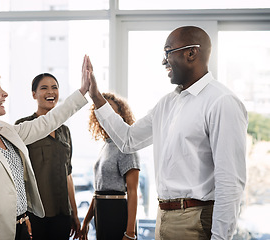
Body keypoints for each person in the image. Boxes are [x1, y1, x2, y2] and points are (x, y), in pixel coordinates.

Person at [86, 26, 248, 240]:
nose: (164, 61)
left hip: (196, 221)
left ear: (191, 53)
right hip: (163, 217)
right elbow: (128, 140)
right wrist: (97, 98)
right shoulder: (167, 104)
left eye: (168, 52)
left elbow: (230, 182)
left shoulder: (222, 102)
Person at [0, 56, 90, 240]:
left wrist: (82, 91)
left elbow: (48, 122)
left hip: (22, 228)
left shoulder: (5, 131)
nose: (5, 94)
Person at [15, 73, 81, 240]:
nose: (50, 92)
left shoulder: (65, 131)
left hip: (62, 213)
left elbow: (68, 175)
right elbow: (16, 176)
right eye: (44, 88)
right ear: (34, 94)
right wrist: (21, 215)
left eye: (54, 87)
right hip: (35, 214)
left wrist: (74, 212)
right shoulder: (24, 127)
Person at [80, 92, 140, 240]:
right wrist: (86, 222)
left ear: (120, 113)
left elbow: (133, 192)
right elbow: (99, 190)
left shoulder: (126, 144)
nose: (105, 113)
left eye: (109, 108)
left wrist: (130, 232)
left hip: (117, 213)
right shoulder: (106, 145)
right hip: (101, 213)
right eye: (101, 109)